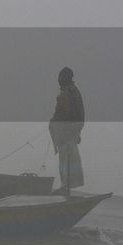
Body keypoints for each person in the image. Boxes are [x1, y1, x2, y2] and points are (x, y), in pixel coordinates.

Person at [48, 66, 85, 195]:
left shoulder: (66, 94)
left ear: (65, 78)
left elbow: (68, 113)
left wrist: (54, 122)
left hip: (66, 133)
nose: (58, 80)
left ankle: (65, 188)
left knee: (65, 161)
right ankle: (66, 188)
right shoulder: (74, 91)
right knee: (68, 160)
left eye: (60, 77)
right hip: (71, 132)